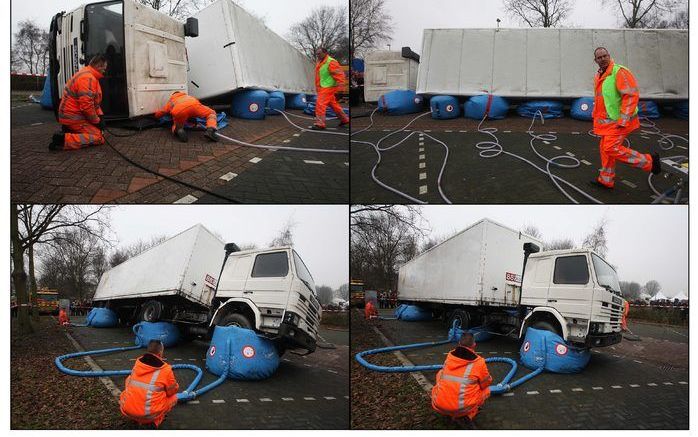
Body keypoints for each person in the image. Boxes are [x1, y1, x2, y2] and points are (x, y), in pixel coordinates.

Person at [590, 47, 661, 189]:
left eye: (605, 56)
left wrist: (624, 120)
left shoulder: (619, 72)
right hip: (607, 123)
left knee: (610, 148)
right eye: (599, 57)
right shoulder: (599, 75)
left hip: (620, 122)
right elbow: (602, 100)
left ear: (609, 56)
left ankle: (650, 162)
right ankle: (606, 180)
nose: (603, 59)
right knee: (605, 149)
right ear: (595, 60)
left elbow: (631, 96)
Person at [431, 333, 492, 425]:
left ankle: (447, 410)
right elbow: (486, 383)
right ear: (474, 345)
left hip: (438, 404)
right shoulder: (479, 363)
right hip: (462, 409)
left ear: (459, 343)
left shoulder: (450, 356)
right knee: (486, 390)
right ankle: (468, 416)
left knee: (440, 373)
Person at [50, 55, 108, 151]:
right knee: (98, 136)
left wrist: (100, 116)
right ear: (99, 66)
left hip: (72, 115)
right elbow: (87, 106)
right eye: (104, 68)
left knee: (98, 132)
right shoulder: (88, 78)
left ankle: (69, 131)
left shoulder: (89, 75)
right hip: (73, 118)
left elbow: (94, 103)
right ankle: (63, 141)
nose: (104, 71)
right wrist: (97, 121)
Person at [120, 340, 179, 428]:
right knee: (174, 398)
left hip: (126, 410)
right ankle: (154, 423)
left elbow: (129, 382)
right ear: (160, 353)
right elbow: (172, 391)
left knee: (129, 381)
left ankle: (135, 418)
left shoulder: (138, 363)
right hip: (148, 415)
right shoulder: (165, 370)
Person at [153, 91, 220, 143]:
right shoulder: (188, 96)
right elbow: (198, 103)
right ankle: (210, 129)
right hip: (194, 106)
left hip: (179, 111)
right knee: (211, 113)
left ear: (173, 95)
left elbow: (162, 112)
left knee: (177, 125)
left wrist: (156, 116)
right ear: (180, 93)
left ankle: (179, 129)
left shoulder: (171, 101)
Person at [312, 47, 350, 130]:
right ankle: (345, 119)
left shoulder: (331, 62)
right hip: (323, 87)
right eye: (317, 54)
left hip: (328, 87)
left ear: (325, 53)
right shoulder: (320, 62)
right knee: (333, 105)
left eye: (319, 53)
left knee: (320, 104)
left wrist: (340, 89)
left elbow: (340, 75)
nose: (317, 55)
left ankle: (320, 124)